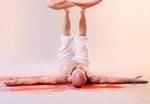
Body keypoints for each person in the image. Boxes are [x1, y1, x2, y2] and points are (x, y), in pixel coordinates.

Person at [5, 33, 148, 88]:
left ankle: (69, 15)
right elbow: (112, 79)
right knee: (81, 41)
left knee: (66, 40)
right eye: (81, 73)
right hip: (76, 62)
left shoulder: (62, 77)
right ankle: (78, 14)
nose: (80, 71)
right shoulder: (93, 78)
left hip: (66, 63)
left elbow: (39, 80)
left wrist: (17, 81)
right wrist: (133, 80)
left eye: (80, 72)